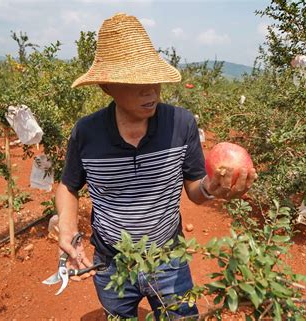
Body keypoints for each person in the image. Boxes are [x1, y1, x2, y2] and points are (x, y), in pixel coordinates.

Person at [55, 13, 257, 320]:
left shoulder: (181, 123)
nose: (150, 89)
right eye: (136, 82)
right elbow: (68, 186)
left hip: (169, 260)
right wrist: (68, 230)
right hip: (112, 263)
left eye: (153, 78)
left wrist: (212, 188)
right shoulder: (87, 132)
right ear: (107, 87)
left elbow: (194, 188)